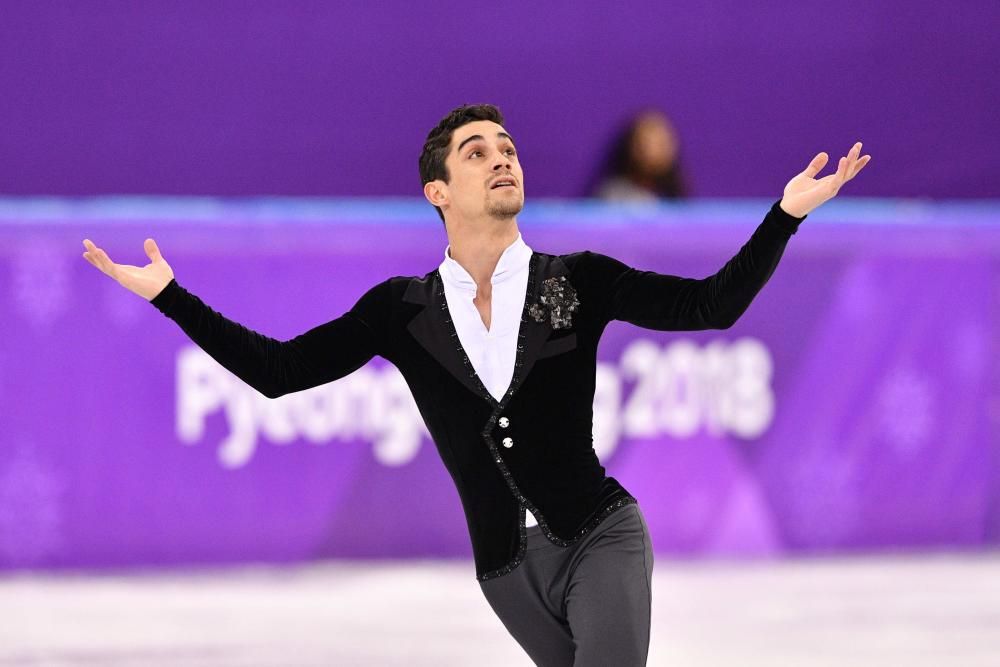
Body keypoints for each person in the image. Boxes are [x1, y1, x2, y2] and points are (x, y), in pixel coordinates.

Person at [81, 103, 870, 666]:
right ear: (439, 192)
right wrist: (169, 296)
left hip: (601, 536)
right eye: (477, 151)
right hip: (503, 571)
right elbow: (280, 373)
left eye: (508, 148)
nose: (501, 158)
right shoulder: (403, 309)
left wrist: (785, 216)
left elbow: (710, 304)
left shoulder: (577, 282)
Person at [590, 109, 689, 201]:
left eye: (661, 144)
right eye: (646, 144)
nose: (653, 151)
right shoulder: (613, 196)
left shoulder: (676, 198)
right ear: (631, 148)